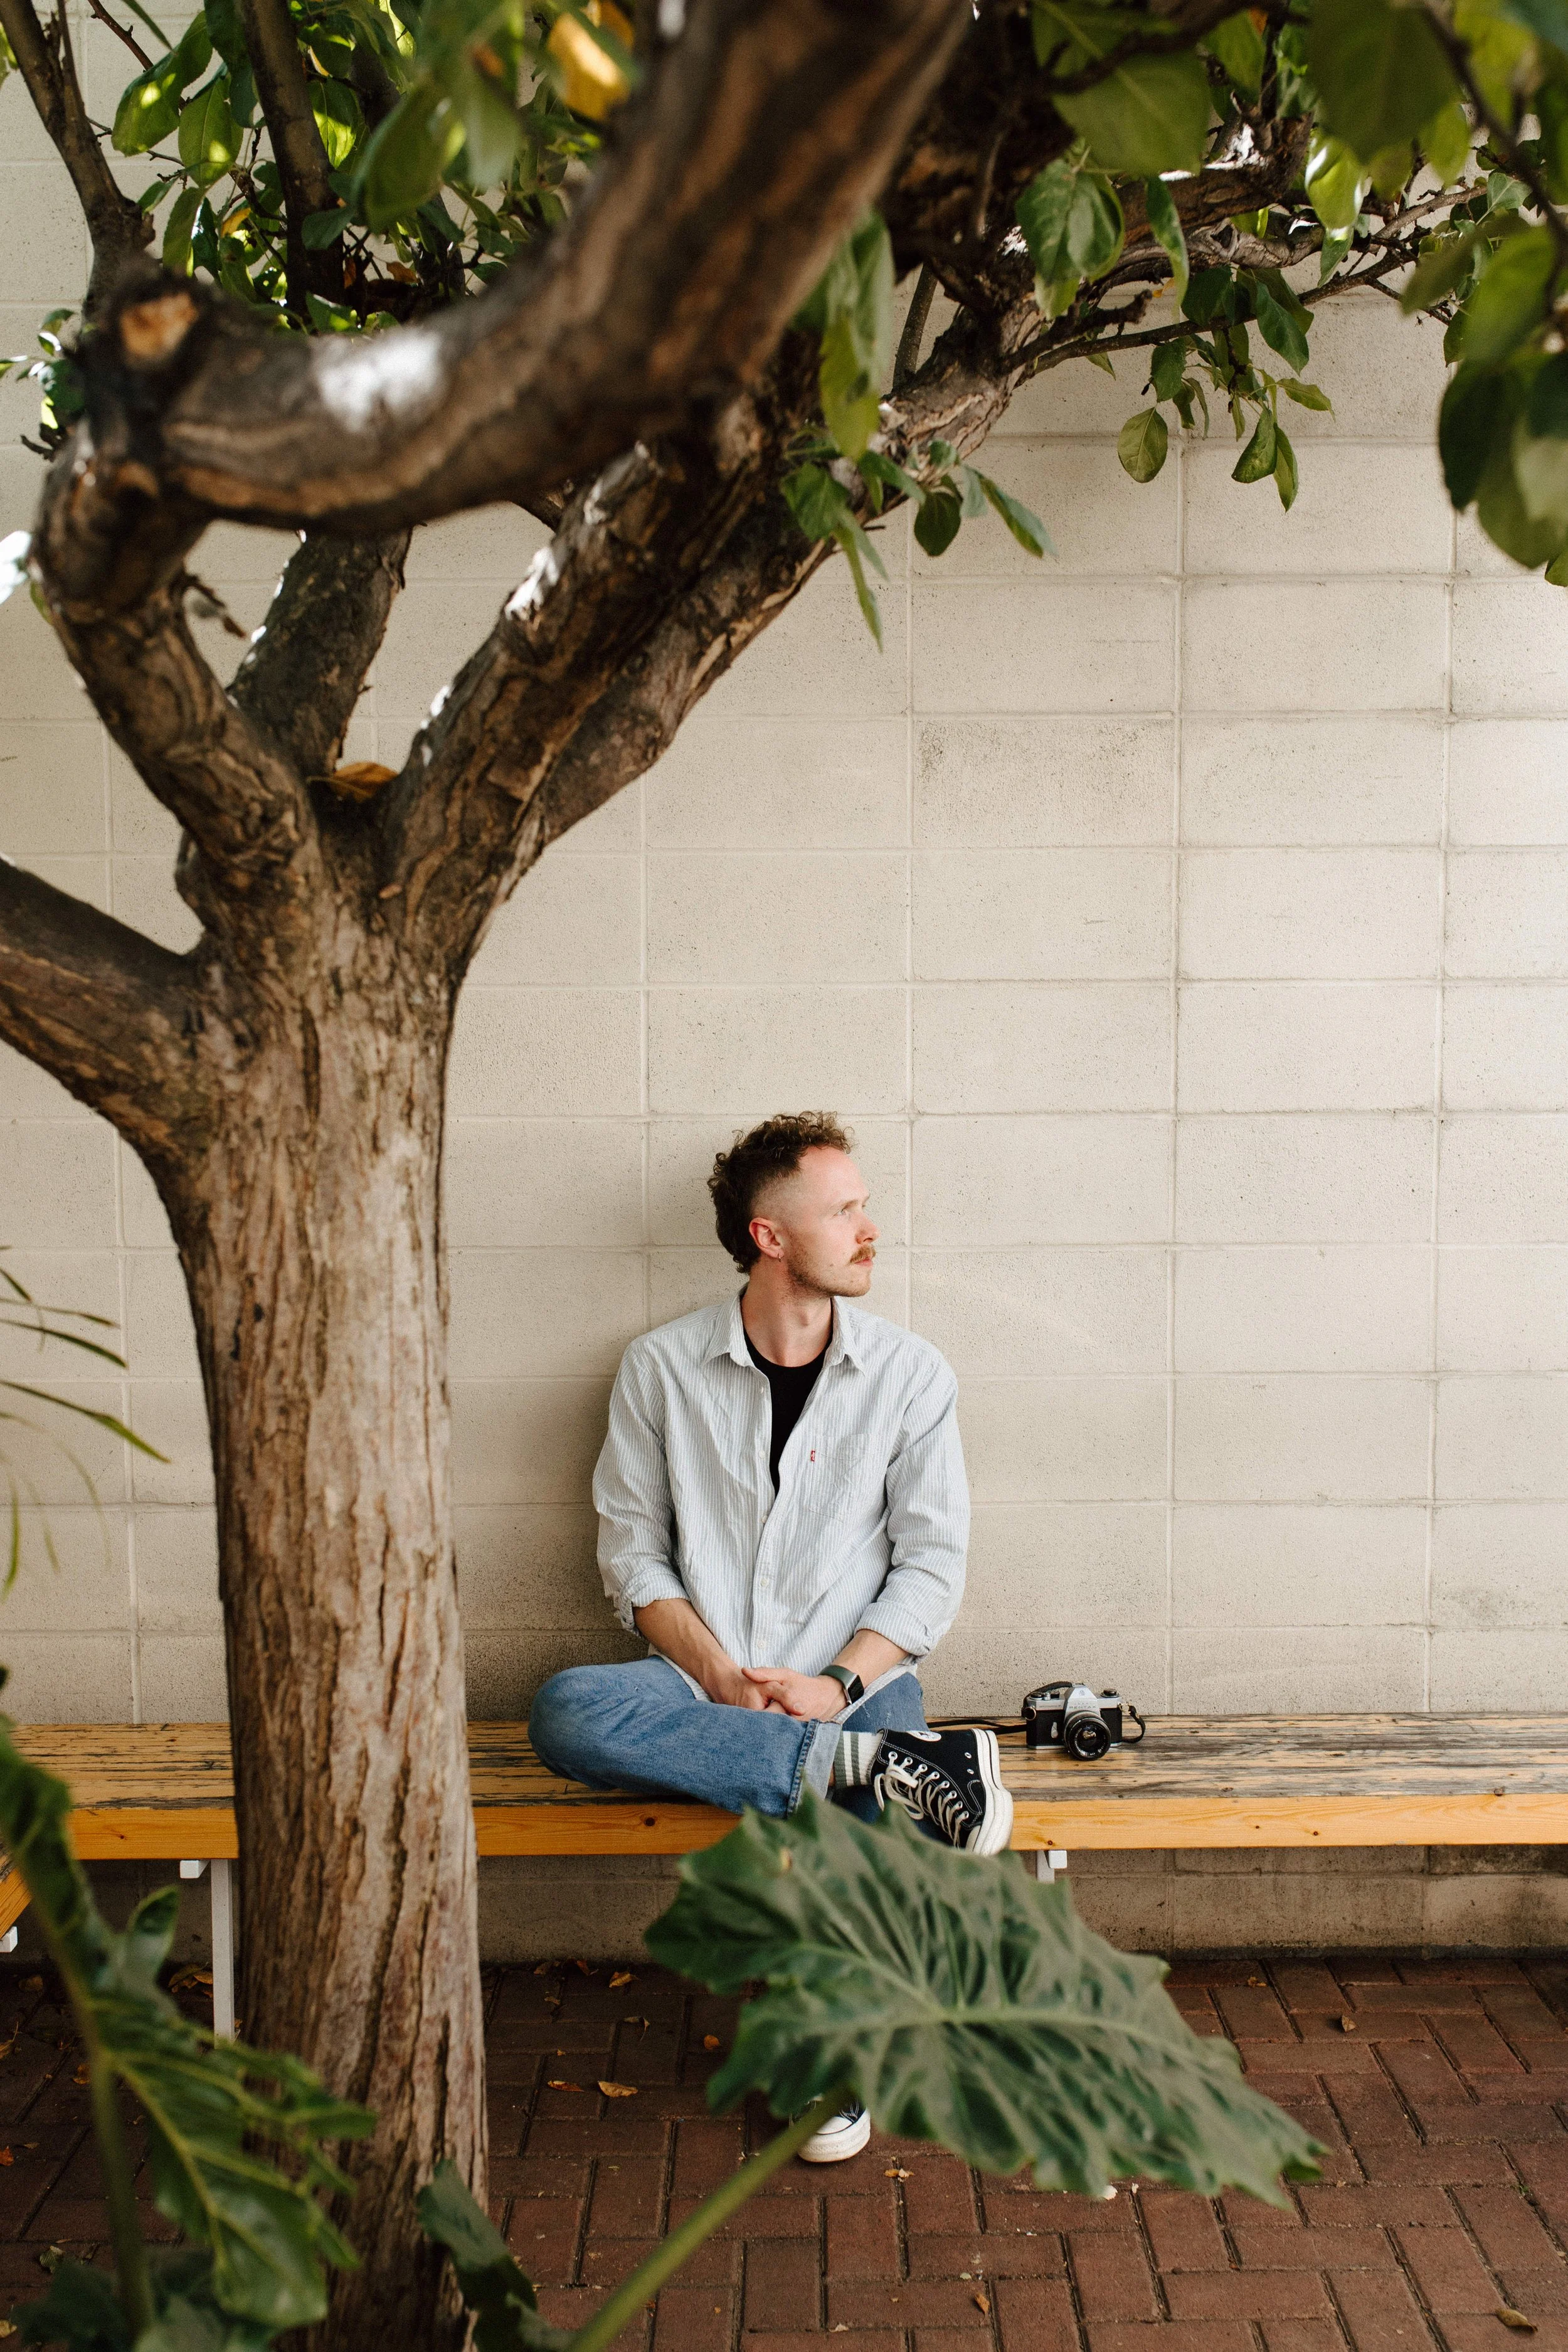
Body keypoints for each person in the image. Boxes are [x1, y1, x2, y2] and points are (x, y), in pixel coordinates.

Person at [528, 1111, 1012, 2162]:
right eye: (844, 1209)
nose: (870, 1226)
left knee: (838, 1798)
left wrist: (835, 1687)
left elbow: (930, 1568)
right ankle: (868, 1775)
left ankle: (821, 2046)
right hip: (704, 1682)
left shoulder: (911, 1375)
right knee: (566, 1708)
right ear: (770, 1235)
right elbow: (632, 1558)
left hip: (863, 1689)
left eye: (864, 1205)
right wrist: (720, 1675)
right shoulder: (659, 1369)